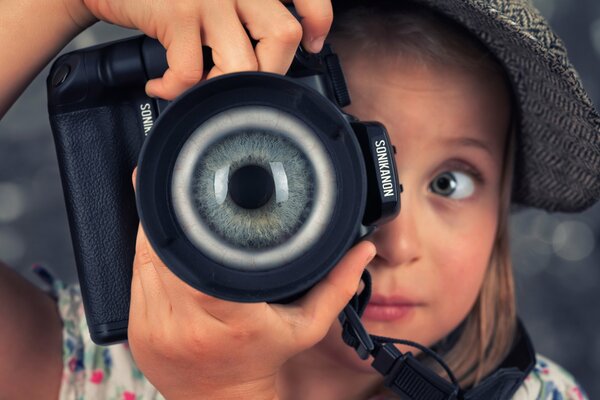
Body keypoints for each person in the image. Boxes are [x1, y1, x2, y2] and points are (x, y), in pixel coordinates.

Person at [0, 0, 598, 399]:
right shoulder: (98, 363)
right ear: (207, 157)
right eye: (329, 170)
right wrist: (59, 5)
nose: (396, 242)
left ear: (498, 223)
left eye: (451, 182)